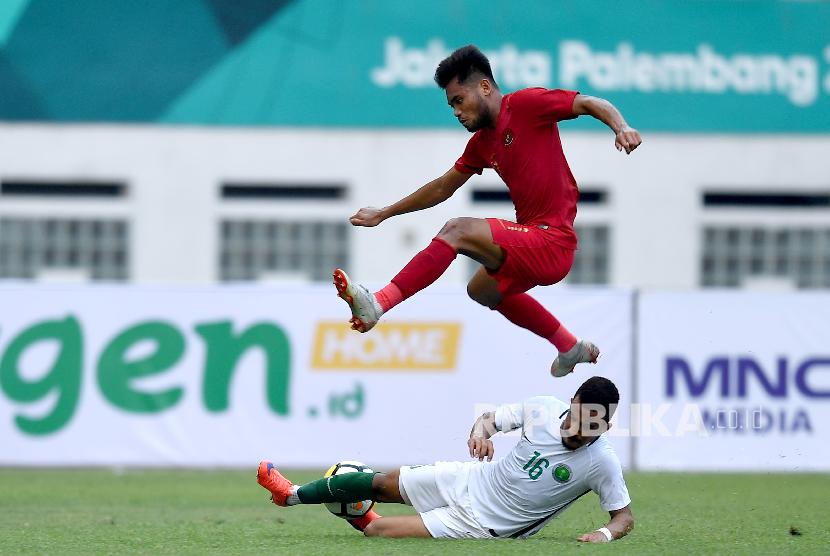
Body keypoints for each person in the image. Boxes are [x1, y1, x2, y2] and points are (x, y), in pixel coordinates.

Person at [333, 44, 642, 378]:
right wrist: (385, 213)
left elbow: (588, 103)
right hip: (535, 244)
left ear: (484, 87)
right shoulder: (482, 143)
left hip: (553, 241)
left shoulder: (526, 104)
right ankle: (569, 346)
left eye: (458, 101)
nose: (455, 112)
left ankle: (379, 303)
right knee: (480, 290)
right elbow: (442, 187)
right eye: (451, 105)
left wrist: (620, 126)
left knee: (457, 230)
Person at [257, 376, 634, 542]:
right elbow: (488, 420)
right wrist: (479, 435)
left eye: (595, 427)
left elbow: (624, 517)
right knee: (379, 483)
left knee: (378, 531)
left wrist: (604, 534)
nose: (584, 432)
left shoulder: (603, 462)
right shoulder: (543, 408)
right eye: (582, 420)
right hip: (470, 478)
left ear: (607, 423)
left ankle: (355, 510)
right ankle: (289, 494)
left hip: (485, 524)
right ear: (573, 403)